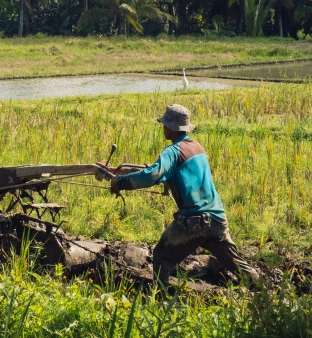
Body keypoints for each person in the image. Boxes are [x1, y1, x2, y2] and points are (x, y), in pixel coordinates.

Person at [110, 104, 258, 285]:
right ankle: (265, 291)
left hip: (193, 221)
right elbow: (176, 174)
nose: (163, 127)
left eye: (165, 124)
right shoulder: (198, 148)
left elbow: (153, 175)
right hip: (217, 219)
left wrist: (120, 182)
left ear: (172, 127)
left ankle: (161, 298)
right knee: (237, 265)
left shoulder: (172, 151)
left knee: (162, 256)